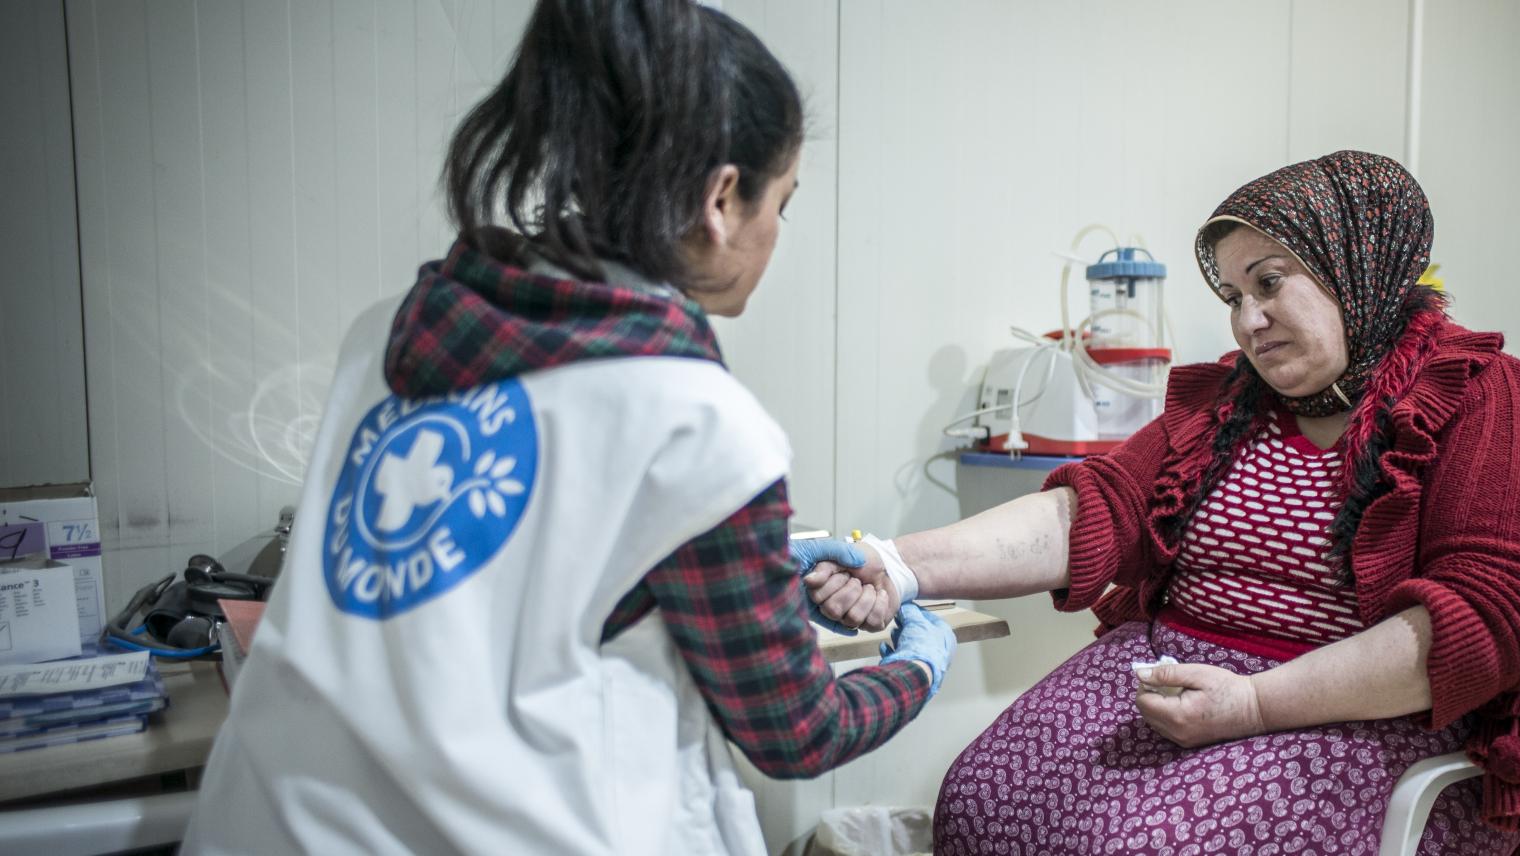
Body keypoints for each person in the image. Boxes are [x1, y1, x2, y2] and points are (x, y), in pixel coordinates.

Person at [182, 2, 953, 853]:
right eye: (784, 202)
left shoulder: (390, 330)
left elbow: (509, 569)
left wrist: (758, 562)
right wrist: (918, 662)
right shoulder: (698, 423)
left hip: (274, 819)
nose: (778, 233)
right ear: (722, 199)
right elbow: (797, 730)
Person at [806, 151, 1520, 855]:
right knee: (979, 802)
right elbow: (1092, 513)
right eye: (1232, 293)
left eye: (1270, 283)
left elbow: (1491, 622)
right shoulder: (1230, 403)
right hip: (1185, 671)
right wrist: (898, 564)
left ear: (1359, 265)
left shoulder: (1490, 398)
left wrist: (1255, 702)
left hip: (1364, 710)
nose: (1247, 319)